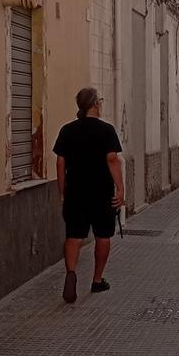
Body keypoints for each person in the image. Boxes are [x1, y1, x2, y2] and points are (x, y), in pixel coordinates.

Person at [53, 88, 125, 304]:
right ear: (95, 104)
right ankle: (96, 279)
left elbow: (60, 163)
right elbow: (112, 159)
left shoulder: (67, 130)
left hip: (75, 192)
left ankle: (71, 273)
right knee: (103, 236)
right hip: (102, 193)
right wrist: (120, 189)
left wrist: (63, 191)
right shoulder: (106, 130)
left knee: (74, 236)